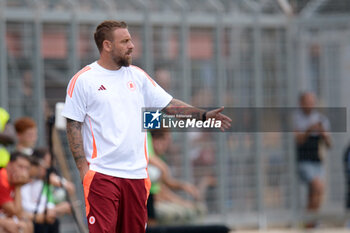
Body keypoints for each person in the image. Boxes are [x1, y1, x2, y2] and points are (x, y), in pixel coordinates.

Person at [62, 20, 232, 233]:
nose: (131, 45)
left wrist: (204, 115)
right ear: (107, 45)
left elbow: (169, 105)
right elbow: (73, 125)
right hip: (102, 175)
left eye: (130, 40)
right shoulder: (83, 80)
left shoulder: (138, 76)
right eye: (124, 41)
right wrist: (83, 170)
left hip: (137, 177)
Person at [293, 92, 331, 225]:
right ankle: (309, 223)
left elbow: (329, 144)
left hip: (317, 161)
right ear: (301, 103)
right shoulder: (296, 119)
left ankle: (309, 223)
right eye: (307, 102)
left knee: (316, 195)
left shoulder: (321, 119)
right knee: (317, 187)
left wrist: (324, 134)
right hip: (304, 161)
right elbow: (298, 140)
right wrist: (309, 129)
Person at [21, 148, 74, 233]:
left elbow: (70, 188)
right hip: (33, 220)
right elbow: (26, 208)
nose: (47, 167)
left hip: (42, 217)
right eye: (46, 163)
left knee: (52, 221)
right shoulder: (24, 183)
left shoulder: (43, 180)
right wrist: (56, 210)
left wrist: (52, 210)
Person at [0, 151, 33, 233]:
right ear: (9, 165)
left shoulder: (12, 180)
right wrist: (18, 186)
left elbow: (15, 213)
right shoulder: (2, 179)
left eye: (26, 168)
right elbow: (15, 211)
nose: (23, 172)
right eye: (20, 167)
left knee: (27, 223)